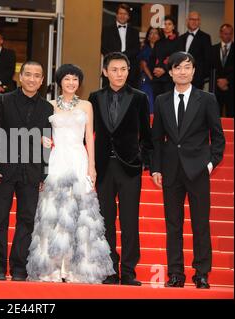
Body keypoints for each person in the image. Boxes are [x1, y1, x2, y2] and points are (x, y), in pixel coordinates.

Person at [26, 64, 115, 283]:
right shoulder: (50, 105)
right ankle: (54, 268)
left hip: (78, 158)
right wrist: (41, 140)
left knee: (81, 214)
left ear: (79, 83)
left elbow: (89, 139)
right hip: (56, 160)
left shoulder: (86, 106)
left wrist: (92, 166)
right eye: (67, 79)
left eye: (75, 80)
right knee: (55, 213)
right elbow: (38, 132)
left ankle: (77, 270)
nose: (71, 83)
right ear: (60, 82)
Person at [151, 51, 225, 289]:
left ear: (193, 71)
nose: (182, 72)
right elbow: (156, 139)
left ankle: (201, 272)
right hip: (171, 170)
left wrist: (210, 164)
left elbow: (218, 137)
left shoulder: (207, 99)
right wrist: (156, 169)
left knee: (200, 223)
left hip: (198, 170)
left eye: (187, 67)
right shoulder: (161, 100)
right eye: (177, 68)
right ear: (170, 72)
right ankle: (175, 273)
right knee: (173, 224)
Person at [88, 52, 153, 286]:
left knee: (129, 221)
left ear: (128, 70)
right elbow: (89, 134)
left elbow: (147, 135)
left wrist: (144, 161)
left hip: (129, 167)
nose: (119, 74)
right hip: (104, 166)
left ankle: (128, 271)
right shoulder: (94, 98)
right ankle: (109, 270)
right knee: (105, 220)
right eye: (114, 69)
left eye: (123, 69)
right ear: (105, 72)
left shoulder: (139, 98)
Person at [0, 61, 53, 281]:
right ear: (20, 76)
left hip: (32, 171)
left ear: (42, 80)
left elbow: (47, 142)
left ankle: (19, 268)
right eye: (28, 74)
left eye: (37, 76)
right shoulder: (3, 101)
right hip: (5, 168)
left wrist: (44, 172)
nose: (32, 79)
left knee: (26, 220)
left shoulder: (47, 108)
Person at [101, 3, 140, 88]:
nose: (122, 16)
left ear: (128, 16)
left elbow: (136, 49)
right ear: (116, 15)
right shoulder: (106, 30)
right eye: (120, 13)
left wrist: (123, 56)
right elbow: (103, 47)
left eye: (125, 14)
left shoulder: (134, 31)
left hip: (130, 70)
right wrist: (115, 57)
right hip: (111, 66)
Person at [178, 11, 212, 89]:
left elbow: (208, 58)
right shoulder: (181, 38)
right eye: (192, 19)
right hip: (181, 77)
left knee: (196, 100)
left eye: (196, 20)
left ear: (199, 22)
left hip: (197, 78)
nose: (194, 22)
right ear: (187, 21)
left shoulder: (205, 37)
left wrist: (203, 76)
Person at [151, 15, 180, 100]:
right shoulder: (158, 42)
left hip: (169, 78)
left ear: (173, 26)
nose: (167, 26)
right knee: (157, 104)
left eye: (169, 24)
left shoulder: (178, 41)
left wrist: (164, 69)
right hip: (157, 78)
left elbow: (177, 58)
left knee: (168, 104)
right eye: (165, 24)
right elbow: (152, 59)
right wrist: (154, 69)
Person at [211, 24, 234, 117]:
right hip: (216, 88)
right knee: (215, 115)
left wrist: (227, 80)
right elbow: (210, 68)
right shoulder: (213, 49)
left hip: (231, 88)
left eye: (230, 34)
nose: (227, 36)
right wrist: (219, 81)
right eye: (225, 33)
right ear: (220, 34)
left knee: (231, 115)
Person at [139, 27, 162, 113]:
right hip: (148, 80)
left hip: (159, 80)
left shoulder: (162, 48)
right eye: (151, 33)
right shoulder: (145, 48)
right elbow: (144, 66)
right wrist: (152, 78)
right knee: (148, 103)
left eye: (156, 33)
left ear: (159, 36)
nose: (153, 35)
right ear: (148, 37)